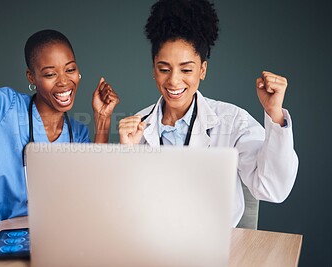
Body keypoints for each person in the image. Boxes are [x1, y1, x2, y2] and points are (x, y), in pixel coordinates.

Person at [0, 0, 119, 230]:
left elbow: (90, 196)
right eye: (50, 74)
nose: (63, 81)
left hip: (41, 238)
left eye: (70, 69)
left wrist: (102, 119)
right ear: (32, 77)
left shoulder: (76, 133)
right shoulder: (1, 107)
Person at [118, 0, 298, 227]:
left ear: (202, 70)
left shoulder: (232, 122)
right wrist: (127, 155)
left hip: (216, 248)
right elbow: (123, 211)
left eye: (186, 69)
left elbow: (273, 188)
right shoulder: (136, 128)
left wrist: (274, 114)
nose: (173, 80)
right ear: (153, 68)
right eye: (164, 69)